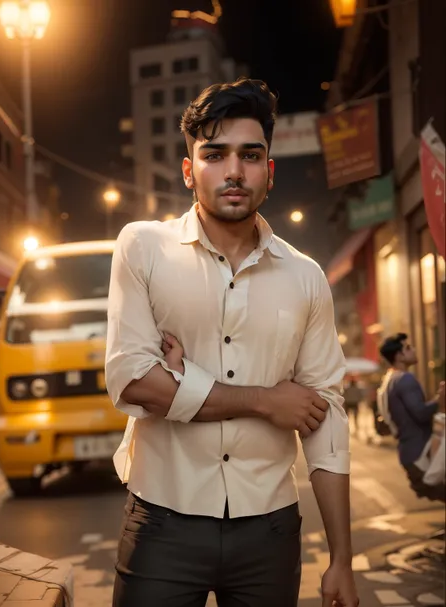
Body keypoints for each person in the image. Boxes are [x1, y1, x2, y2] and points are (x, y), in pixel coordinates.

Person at [106, 78, 358, 607]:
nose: (234, 171)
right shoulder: (142, 247)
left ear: (269, 171)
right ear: (188, 170)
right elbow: (134, 382)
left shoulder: (306, 276)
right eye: (215, 154)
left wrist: (341, 559)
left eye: (250, 155)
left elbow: (325, 416)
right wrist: (268, 400)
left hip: (269, 531)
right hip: (162, 522)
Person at [377, 332, 445, 501]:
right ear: (399, 356)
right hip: (421, 455)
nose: (413, 349)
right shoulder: (405, 379)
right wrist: (440, 400)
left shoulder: (389, 380)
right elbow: (421, 413)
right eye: (408, 348)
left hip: (410, 453)